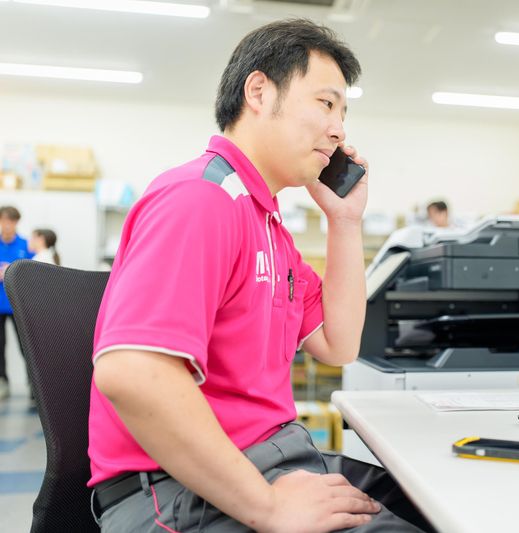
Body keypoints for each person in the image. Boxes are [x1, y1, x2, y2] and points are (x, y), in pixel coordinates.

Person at [88, 19, 429, 533]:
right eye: (326, 103)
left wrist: (345, 221)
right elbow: (132, 374)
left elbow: (338, 345)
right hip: (182, 488)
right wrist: (269, 507)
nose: (339, 129)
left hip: (271, 462)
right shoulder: (200, 199)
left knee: (436, 506)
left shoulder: (267, 224)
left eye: (343, 113)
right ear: (259, 92)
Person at [0, 205, 33, 400]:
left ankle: (33, 385)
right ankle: (2, 382)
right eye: (4, 220)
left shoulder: (26, 245)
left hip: (18, 305)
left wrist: (10, 272)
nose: (7, 225)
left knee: (25, 346)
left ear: (16, 222)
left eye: (11, 221)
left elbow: (32, 273)